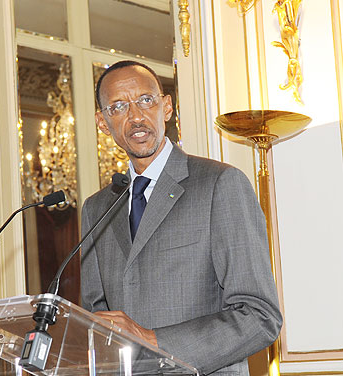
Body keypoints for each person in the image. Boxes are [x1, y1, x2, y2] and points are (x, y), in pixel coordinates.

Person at [80, 60, 282, 376]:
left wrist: (153, 340)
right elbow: (97, 315)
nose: (135, 116)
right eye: (118, 107)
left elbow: (260, 316)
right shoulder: (96, 208)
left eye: (145, 100)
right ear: (103, 122)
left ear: (167, 107)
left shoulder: (220, 184)